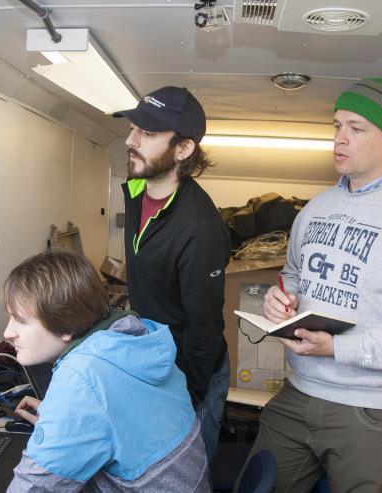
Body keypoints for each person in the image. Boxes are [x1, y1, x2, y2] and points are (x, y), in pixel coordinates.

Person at [239, 78, 382, 493]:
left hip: (372, 408)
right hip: (300, 390)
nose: (340, 139)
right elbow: (292, 276)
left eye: (356, 128)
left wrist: (338, 347)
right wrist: (280, 300)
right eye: (337, 126)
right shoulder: (317, 207)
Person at [3, 250, 209, 492]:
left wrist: (69, 412)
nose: (8, 333)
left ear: (65, 322)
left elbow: (33, 486)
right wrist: (65, 418)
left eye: (20, 320)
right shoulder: (132, 335)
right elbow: (119, 413)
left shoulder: (82, 375)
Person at [114, 86, 231, 466]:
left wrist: (184, 399)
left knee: (185, 471)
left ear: (183, 150)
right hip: (156, 357)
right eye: (134, 128)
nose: (131, 140)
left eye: (147, 134)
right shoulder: (135, 190)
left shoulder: (200, 228)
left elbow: (204, 331)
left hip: (192, 371)